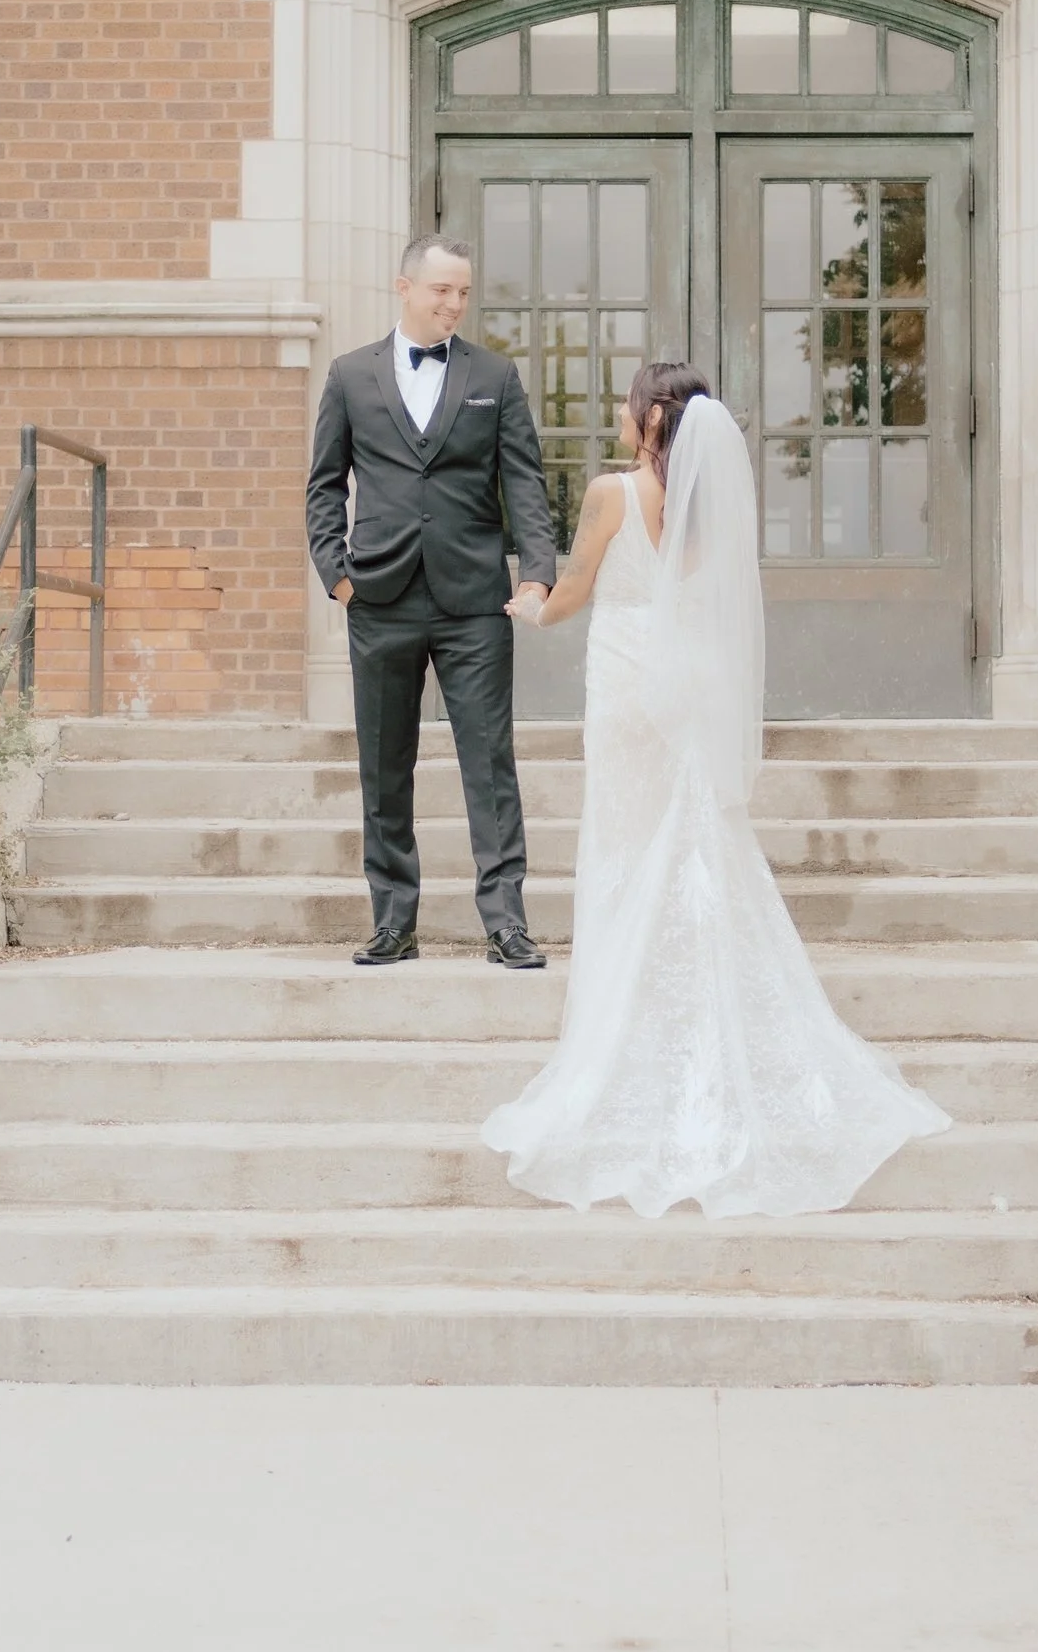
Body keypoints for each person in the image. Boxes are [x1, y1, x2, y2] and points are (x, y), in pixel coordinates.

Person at [482, 360, 949, 1214]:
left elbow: (575, 588)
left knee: (624, 842)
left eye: (627, 407)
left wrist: (528, 608)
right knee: (689, 836)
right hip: (686, 682)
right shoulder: (707, 510)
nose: (619, 418)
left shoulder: (610, 494)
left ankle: (629, 1014)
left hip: (626, 683)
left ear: (648, 420)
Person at [306, 233, 557, 969]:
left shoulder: (495, 376)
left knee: (490, 763)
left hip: (475, 601)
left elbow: (525, 485)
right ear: (405, 287)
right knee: (384, 767)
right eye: (442, 290)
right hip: (378, 597)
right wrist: (338, 575)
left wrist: (535, 572)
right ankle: (392, 920)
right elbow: (324, 485)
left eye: (463, 292)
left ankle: (505, 921)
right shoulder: (350, 375)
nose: (454, 303)